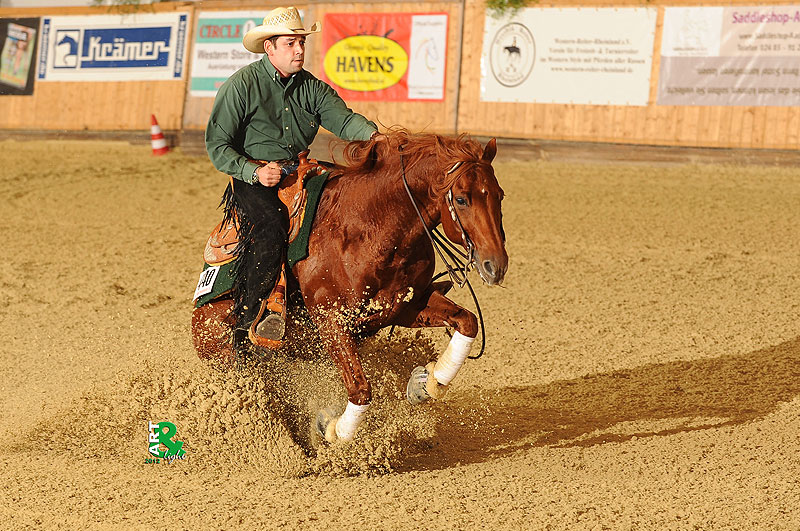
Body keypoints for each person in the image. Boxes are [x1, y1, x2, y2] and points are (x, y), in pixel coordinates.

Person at [205, 6, 380, 351]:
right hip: (254, 176)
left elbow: (344, 121)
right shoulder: (240, 87)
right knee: (269, 229)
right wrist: (253, 171)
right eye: (290, 43)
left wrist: (376, 138)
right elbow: (217, 145)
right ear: (269, 48)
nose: (299, 50)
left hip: (300, 170)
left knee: (341, 210)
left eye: (301, 42)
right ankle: (247, 324)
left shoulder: (311, 88)